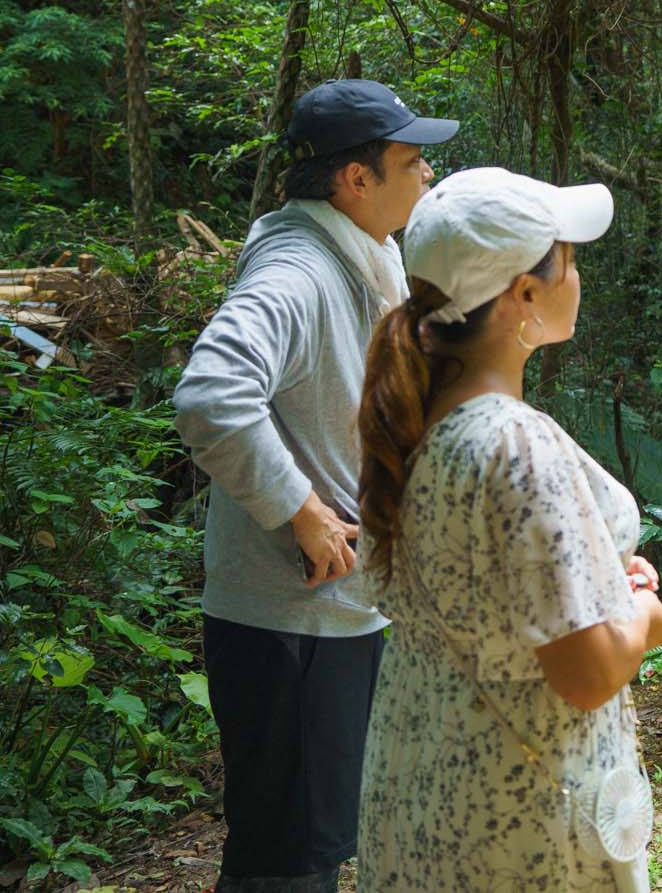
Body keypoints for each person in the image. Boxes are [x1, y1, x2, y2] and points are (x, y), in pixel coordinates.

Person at [355, 167, 662, 890]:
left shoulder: (415, 426)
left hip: (427, 791)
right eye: (566, 256)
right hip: (525, 820)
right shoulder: (514, 444)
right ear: (522, 296)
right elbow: (587, 673)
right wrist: (643, 619)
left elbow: (489, 600)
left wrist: (601, 583)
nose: (578, 273)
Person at [173, 79, 458, 890]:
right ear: (354, 179)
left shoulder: (362, 259)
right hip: (289, 622)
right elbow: (210, 393)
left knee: (315, 841)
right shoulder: (300, 269)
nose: (428, 174)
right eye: (412, 159)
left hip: (335, 614)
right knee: (288, 859)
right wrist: (301, 511)